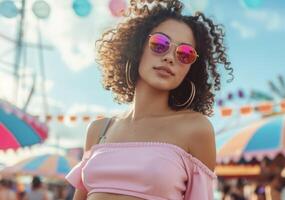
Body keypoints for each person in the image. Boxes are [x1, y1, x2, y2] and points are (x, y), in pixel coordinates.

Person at [65, 0, 233, 199]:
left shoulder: (196, 129)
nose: (170, 57)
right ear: (137, 47)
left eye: (184, 54)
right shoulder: (98, 130)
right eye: (160, 44)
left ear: (190, 69)